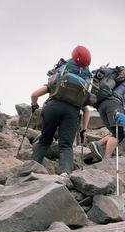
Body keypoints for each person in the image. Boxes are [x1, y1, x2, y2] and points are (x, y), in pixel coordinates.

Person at [30, 45, 91, 175]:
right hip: (72, 111)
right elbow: (86, 110)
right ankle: (64, 174)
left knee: (45, 140)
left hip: (53, 106)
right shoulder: (84, 81)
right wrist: (84, 129)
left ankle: (32, 169)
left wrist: (34, 105)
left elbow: (34, 95)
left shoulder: (61, 72)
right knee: (66, 145)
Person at [89, 77, 125, 161]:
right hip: (113, 105)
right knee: (118, 134)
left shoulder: (119, 87)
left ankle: (97, 144)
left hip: (102, 106)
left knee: (115, 132)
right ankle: (107, 158)